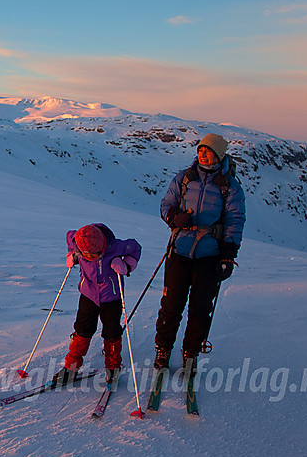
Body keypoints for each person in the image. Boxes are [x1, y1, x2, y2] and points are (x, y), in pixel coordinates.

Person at [153, 133, 246, 373]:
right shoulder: (184, 178)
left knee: (200, 308)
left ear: (219, 154)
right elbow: (166, 205)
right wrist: (174, 217)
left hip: (209, 255)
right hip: (180, 250)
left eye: (209, 150)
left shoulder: (229, 186)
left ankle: (190, 353)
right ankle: (163, 349)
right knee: (171, 305)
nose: (203, 154)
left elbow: (235, 219)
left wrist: (228, 255)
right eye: (201, 149)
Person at [52, 223, 142, 386]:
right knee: (82, 329)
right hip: (88, 294)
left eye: (96, 255)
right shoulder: (76, 239)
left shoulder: (116, 247)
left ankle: (113, 369)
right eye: (87, 256)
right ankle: (71, 368)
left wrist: (126, 266)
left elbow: (136, 248)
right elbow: (68, 235)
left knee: (112, 332)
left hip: (112, 296)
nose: (92, 258)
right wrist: (72, 255)